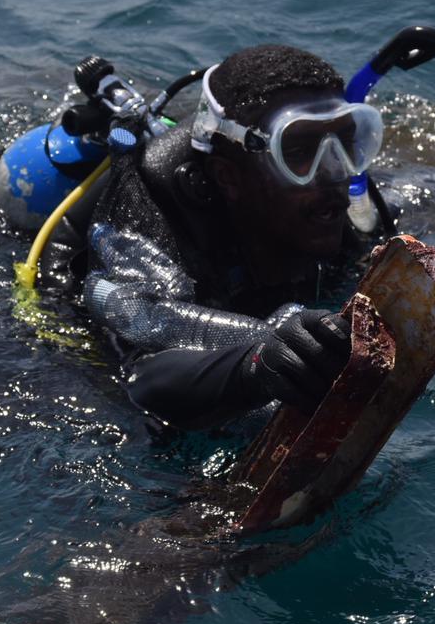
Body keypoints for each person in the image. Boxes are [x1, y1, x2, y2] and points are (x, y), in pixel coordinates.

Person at [83, 44, 388, 430]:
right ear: (228, 176)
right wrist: (256, 365)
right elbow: (144, 378)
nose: (333, 173)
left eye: (345, 141)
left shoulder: (322, 203)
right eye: (298, 150)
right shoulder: (150, 230)